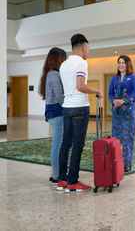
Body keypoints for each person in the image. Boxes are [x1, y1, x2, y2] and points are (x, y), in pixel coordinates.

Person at [57, 34, 102, 192]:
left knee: (65, 143)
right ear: (83, 46)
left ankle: (61, 179)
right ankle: (73, 181)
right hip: (79, 107)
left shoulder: (63, 64)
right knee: (77, 145)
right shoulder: (81, 63)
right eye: (88, 48)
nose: (88, 51)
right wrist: (97, 91)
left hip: (67, 107)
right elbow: (80, 86)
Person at [109, 55, 135, 173]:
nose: (121, 65)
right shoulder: (114, 78)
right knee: (116, 138)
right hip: (117, 113)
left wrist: (124, 101)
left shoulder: (133, 78)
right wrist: (113, 101)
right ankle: (116, 163)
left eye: (123, 62)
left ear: (128, 64)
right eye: (119, 62)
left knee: (127, 139)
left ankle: (127, 165)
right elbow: (110, 93)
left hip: (128, 113)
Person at [39, 47, 66, 184]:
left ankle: (57, 173)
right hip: (57, 111)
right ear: (58, 59)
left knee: (58, 143)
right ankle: (56, 175)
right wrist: (69, 106)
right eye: (63, 59)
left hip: (53, 111)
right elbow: (59, 96)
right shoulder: (54, 74)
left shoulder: (48, 73)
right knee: (58, 144)